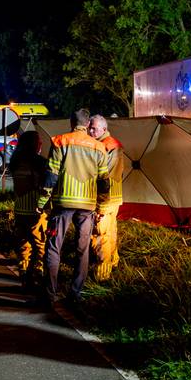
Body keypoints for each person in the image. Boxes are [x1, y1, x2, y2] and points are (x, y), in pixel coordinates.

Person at [36, 108, 110, 307]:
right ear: (87, 125)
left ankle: (50, 294)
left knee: (53, 247)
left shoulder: (60, 141)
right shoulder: (99, 148)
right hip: (87, 207)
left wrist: (41, 203)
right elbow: (104, 181)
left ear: (71, 123)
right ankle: (75, 292)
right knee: (82, 249)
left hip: (62, 205)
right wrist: (101, 205)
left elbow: (51, 176)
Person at [8, 130, 49, 288]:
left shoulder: (15, 161)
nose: (40, 144)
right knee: (40, 244)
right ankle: (38, 273)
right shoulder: (39, 162)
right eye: (38, 141)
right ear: (34, 144)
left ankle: (24, 272)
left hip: (20, 209)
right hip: (36, 210)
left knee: (23, 243)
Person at [87, 114, 123, 281]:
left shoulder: (105, 146)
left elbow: (103, 178)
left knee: (101, 235)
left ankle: (102, 275)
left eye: (94, 128)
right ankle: (113, 263)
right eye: (90, 128)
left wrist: (100, 204)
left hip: (105, 199)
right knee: (110, 232)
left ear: (104, 129)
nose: (91, 131)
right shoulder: (110, 144)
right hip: (112, 198)